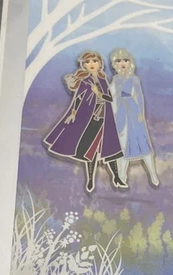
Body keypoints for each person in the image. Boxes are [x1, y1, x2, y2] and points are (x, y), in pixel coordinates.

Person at [43, 50, 127, 194]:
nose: (91, 64)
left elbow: (109, 98)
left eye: (95, 61)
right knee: (90, 151)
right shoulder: (84, 81)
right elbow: (78, 98)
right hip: (90, 119)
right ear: (83, 65)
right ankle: (90, 180)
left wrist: (98, 93)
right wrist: (73, 113)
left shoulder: (103, 80)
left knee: (110, 150)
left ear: (100, 64)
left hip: (105, 120)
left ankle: (117, 178)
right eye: (87, 62)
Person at [110, 48, 159, 188]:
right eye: (119, 61)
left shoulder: (134, 79)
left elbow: (139, 96)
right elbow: (112, 96)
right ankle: (122, 176)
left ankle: (153, 173)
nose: (122, 63)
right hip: (119, 113)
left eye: (125, 60)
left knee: (142, 143)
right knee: (121, 145)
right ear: (115, 64)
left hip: (132, 111)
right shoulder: (115, 79)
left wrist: (141, 113)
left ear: (130, 62)